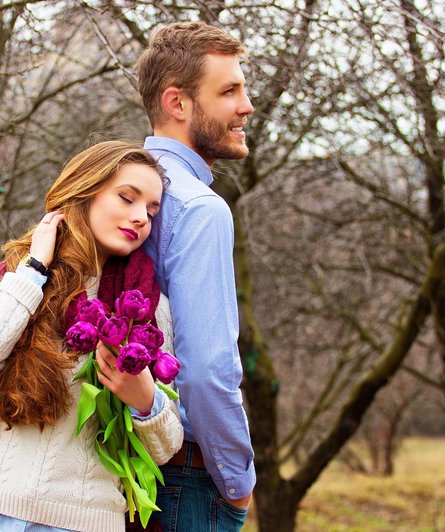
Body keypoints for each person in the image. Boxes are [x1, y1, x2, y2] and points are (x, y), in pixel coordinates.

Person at [0, 141, 183, 532]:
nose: (141, 218)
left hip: (83, 522)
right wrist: (35, 268)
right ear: (81, 192)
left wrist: (145, 400)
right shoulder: (6, 279)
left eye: (151, 211)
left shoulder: (148, 308)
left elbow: (167, 446)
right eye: (127, 198)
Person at [132, 21, 256, 531]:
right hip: (188, 476)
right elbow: (206, 369)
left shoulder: (114, 192)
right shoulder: (199, 208)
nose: (246, 105)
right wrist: (237, 481)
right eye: (229, 90)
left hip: (129, 465)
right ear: (177, 103)